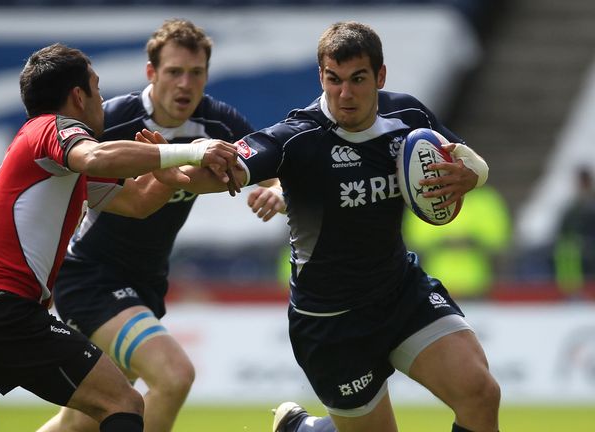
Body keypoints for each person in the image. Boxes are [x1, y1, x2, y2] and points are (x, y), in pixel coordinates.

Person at [144, 21, 500, 432]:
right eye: (334, 80)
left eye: (357, 80)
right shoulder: (296, 137)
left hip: (400, 292)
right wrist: (176, 173)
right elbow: (227, 171)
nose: (344, 94)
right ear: (321, 77)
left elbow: (465, 159)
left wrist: (473, 176)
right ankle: (300, 428)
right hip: (332, 322)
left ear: (380, 77)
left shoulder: (408, 115)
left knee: (481, 393)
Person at [0, 42, 240, 432]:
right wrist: (191, 151)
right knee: (124, 403)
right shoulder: (56, 128)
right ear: (79, 95)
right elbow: (95, 157)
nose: (103, 98)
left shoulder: (48, 159)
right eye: (97, 86)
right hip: (2, 308)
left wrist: (170, 173)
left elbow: (138, 203)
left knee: (81, 417)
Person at [37, 19, 285, 432]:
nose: (185, 84)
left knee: (79, 423)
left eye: (196, 73)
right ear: (151, 73)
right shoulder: (113, 122)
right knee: (174, 375)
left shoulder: (219, 125)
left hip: (146, 283)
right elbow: (54, 187)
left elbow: (272, 167)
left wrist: (279, 193)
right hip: (91, 278)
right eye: (173, 72)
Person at [402, 184, 511, 298]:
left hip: (476, 284)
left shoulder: (486, 199)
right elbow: (416, 239)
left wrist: (470, 241)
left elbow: (499, 239)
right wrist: (449, 241)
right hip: (438, 284)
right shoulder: (426, 199)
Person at [554, 166, 595, 294]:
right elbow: (564, 226)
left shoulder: (588, 204)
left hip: (589, 242)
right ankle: (570, 290)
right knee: (567, 250)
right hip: (578, 243)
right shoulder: (574, 205)